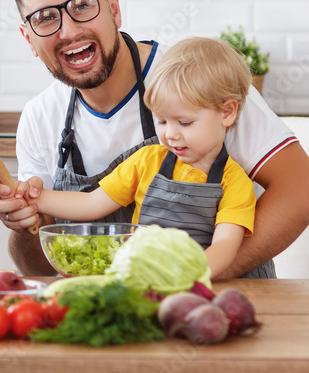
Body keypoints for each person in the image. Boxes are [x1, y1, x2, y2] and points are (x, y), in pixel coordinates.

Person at [0, 0, 309, 277]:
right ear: (28, 38)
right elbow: (40, 267)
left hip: (224, 304)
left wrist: (191, 280)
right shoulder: (39, 117)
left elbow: (303, 193)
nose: (69, 30)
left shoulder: (200, 80)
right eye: (45, 18)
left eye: (82, 5)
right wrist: (25, 222)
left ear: (114, 9)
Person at [28, 37, 257, 278]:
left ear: (227, 113)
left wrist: (183, 278)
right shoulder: (147, 160)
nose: (170, 134)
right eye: (161, 121)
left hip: (192, 286)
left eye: (185, 122)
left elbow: (225, 246)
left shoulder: (234, 183)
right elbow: (91, 204)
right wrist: (32, 198)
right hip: (139, 281)